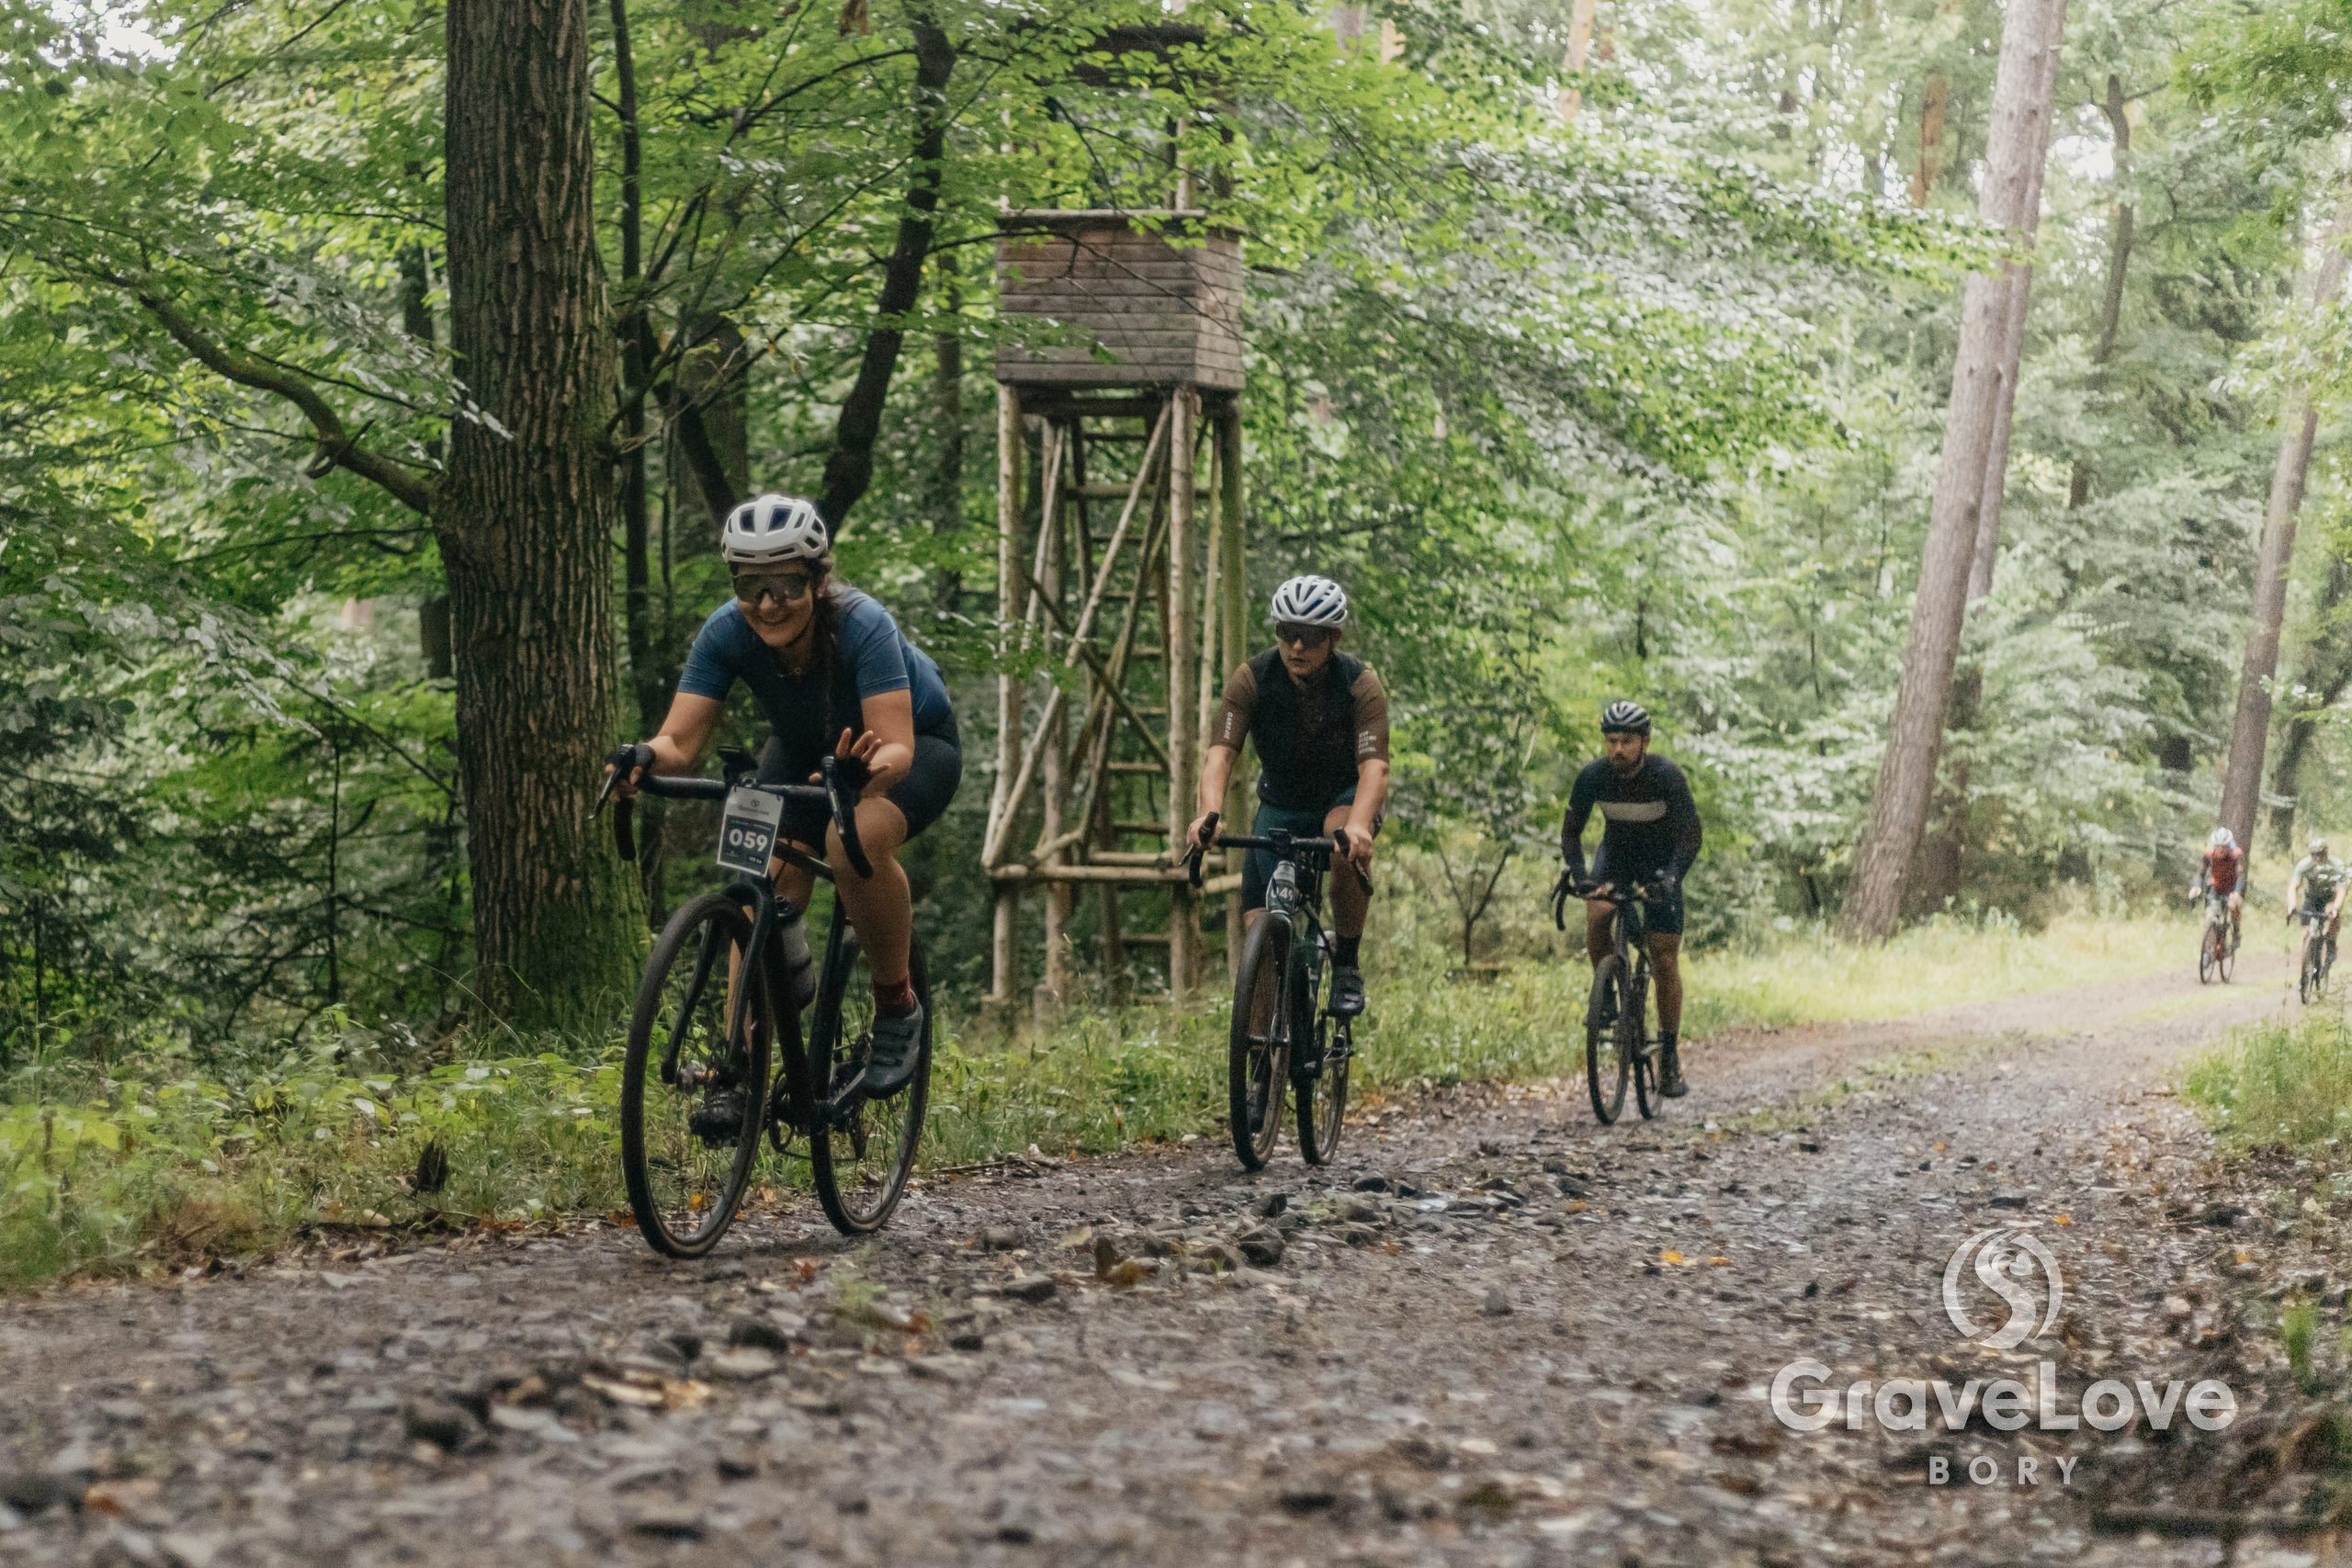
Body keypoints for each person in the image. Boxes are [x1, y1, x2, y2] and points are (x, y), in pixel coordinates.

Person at [605, 494, 960, 1095]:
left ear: (818, 581)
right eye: (751, 587)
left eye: (787, 585)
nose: (769, 604)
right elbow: (678, 741)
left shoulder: (863, 624)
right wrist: (641, 756)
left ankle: (897, 1006)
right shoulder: (726, 631)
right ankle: (740, 1066)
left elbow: (897, 747)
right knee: (755, 872)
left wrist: (864, 778)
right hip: (801, 749)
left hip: (911, 744)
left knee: (851, 840)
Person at [1184, 575, 1390, 1017]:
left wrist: (1359, 825)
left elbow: (1375, 767)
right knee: (1259, 938)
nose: (1296, 646)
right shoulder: (1253, 678)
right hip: (1280, 802)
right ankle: (1265, 1048)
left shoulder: (1360, 684)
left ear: (1333, 638)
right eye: (1286, 632)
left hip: (1342, 797)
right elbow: (1220, 756)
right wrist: (1209, 814)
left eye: (1310, 636)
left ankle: (1347, 964)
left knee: (1342, 840)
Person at [1555, 700, 1702, 1097]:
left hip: (1660, 861)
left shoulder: (1666, 776)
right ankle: (1606, 996)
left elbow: (1692, 835)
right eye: (1611, 741)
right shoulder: (1593, 776)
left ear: (1645, 742)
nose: (1617, 749)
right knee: (1597, 912)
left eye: (1626, 741)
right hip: (1618, 854)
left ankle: (1668, 1055)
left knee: (1664, 957)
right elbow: (1571, 833)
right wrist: (1583, 879)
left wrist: (1671, 878)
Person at [2290, 835, 2349, 982]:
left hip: (2329, 898)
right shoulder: (2304, 865)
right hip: (2311, 898)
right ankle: (2305, 969)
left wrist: (2336, 908)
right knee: (2305, 934)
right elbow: (2294, 886)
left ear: (2326, 853)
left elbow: (2342, 890)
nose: (2318, 858)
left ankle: (2331, 944)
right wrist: (2292, 905)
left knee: (2333, 914)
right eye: (2314, 854)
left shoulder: (2336, 865)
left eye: (2321, 854)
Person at [2189, 826, 2245, 953]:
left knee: (2233, 905)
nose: (2221, 849)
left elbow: (2241, 876)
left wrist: (2237, 892)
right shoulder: (2209, 854)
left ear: (2229, 846)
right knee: (2210, 916)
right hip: (2216, 887)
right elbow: (2200, 873)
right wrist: (2196, 886)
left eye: (2224, 846)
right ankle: (2211, 945)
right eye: (2218, 846)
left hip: (2232, 888)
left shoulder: (2236, 855)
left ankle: (2236, 933)